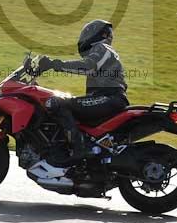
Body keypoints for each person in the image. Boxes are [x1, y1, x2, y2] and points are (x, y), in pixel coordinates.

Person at [38, 19, 129, 161]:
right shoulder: (105, 51)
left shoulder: (102, 48)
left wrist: (54, 64)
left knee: (58, 103)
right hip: (108, 98)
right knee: (69, 105)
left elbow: (88, 66)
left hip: (109, 98)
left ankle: (78, 149)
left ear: (94, 34)